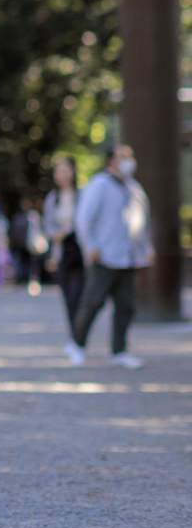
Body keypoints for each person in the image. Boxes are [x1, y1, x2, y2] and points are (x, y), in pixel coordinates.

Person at [65, 144, 153, 369]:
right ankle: (77, 344)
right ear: (111, 161)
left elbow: (142, 222)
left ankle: (119, 350)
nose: (128, 160)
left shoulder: (134, 188)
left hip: (128, 257)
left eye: (129, 156)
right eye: (123, 156)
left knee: (126, 306)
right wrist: (90, 245)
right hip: (103, 256)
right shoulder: (99, 185)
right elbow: (83, 219)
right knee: (93, 302)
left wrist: (147, 248)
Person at [42, 158, 84, 333]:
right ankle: (75, 334)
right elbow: (48, 226)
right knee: (68, 296)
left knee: (79, 295)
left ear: (73, 172)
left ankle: (80, 333)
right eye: (58, 171)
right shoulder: (53, 199)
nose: (62, 175)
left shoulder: (82, 195)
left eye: (66, 170)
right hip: (62, 250)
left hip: (81, 250)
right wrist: (54, 239)